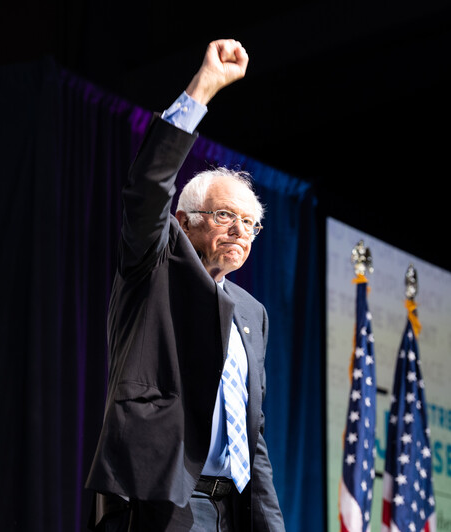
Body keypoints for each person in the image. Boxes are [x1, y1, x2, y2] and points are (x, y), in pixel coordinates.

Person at [85, 39, 286, 531]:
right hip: (163, 504)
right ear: (184, 221)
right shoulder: (151, 269)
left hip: (233, 510)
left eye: (250, 222)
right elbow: (147, 184)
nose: (240, 230)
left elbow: (251, 435)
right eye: (224, 216)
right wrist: (204, 88)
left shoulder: (251, 312)